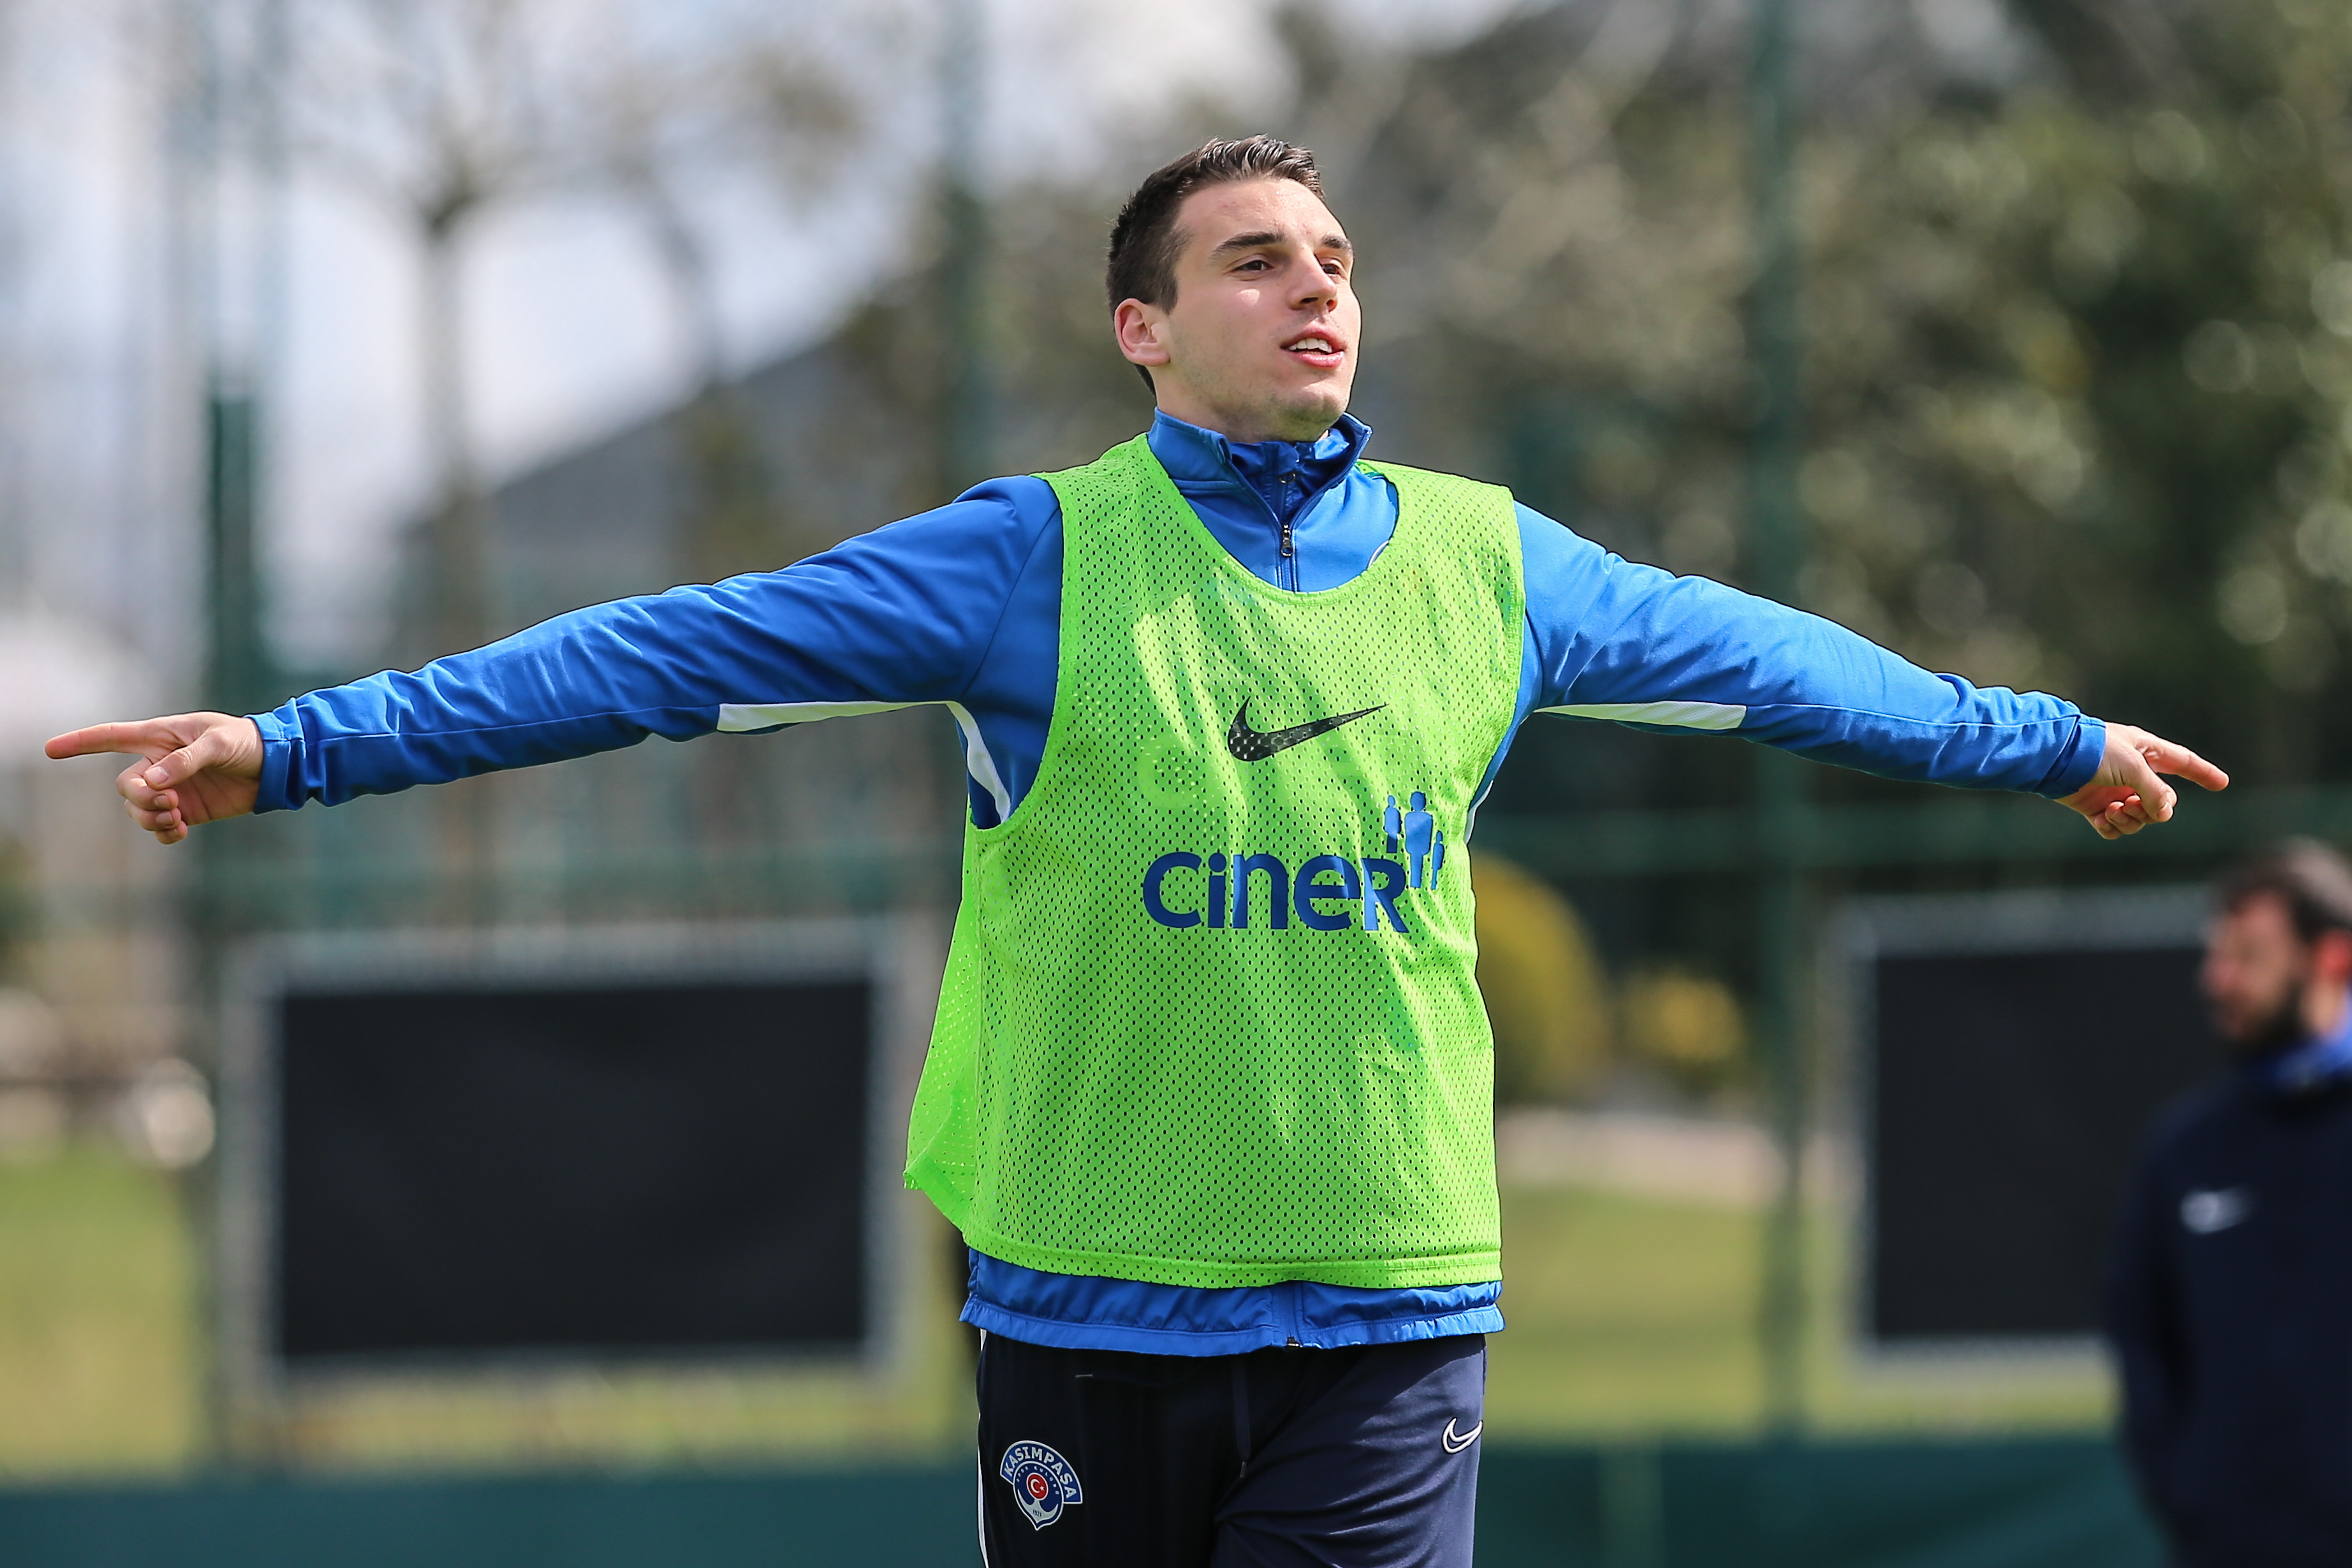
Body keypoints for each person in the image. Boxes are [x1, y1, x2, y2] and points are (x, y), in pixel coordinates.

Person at [50, 136, 2222, 1567]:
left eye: (1336, 262)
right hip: (1085, 1293)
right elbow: (664, 654)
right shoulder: (1028, 558)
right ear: (1142, 328)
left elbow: (1773, 665)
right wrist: (297, 745)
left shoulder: (1493, 564)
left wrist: (2044, 742)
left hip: (1385, 1296)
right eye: (1254, 261)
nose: (1316, 291)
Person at [2105, 840, 2352, 1567]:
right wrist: (2190, 1488)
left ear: (2331, 958)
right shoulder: (2185, 1149)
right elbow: (2139, 1328)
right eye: (2217, 955)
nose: (2217, 979)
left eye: (2249, 955)